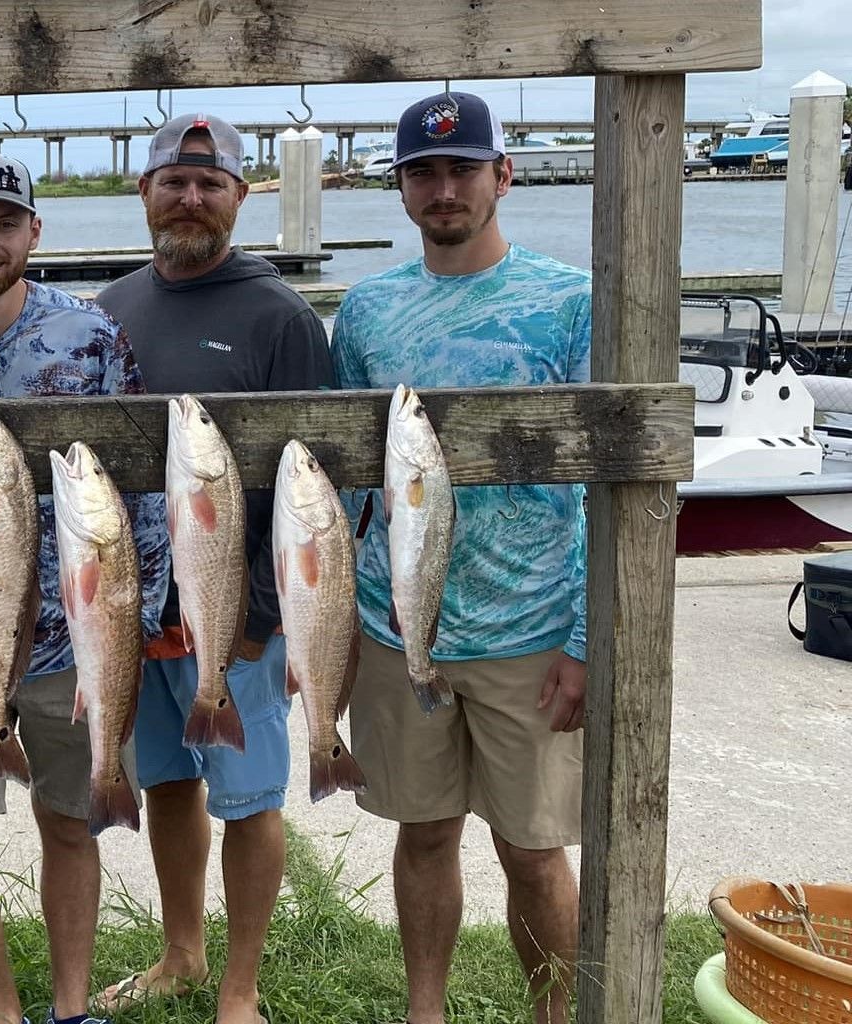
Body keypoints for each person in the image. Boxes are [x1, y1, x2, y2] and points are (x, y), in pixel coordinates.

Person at [332, 91, 589, 1024]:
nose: (444, 189)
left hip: (531, 627)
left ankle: (554, 1016)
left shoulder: (570, 301)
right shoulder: (364, 311)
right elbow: (350, 483)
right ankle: (425, 1011)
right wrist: (338, 633)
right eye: (423, 173)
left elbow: (607, 480)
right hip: (395, 624)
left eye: (462, 169)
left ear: (502, 177)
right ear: (402, 190)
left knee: (533, 848)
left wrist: (586, 637)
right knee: (426, 831)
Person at [0, 151, 170, 1024]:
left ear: (34, 232)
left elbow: (142, 491)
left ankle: (70, 1007)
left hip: (74, 636)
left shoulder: (89, 336)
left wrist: (145, 615)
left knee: (72, 821)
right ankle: (1, 1010)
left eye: (6, 223)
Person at [90, 115, 332, 1024]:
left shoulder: (283, 318)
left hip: (245, 612)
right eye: (173, 181)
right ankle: (180, 955)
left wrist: (263, 615)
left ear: (241, 195)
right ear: (144, 192)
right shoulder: (110, 309)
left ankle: (240, 987)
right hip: (139, 607)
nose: (190, 198)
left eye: (212, 183)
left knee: (249, 792)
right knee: (168, 782)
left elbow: (314, 484)